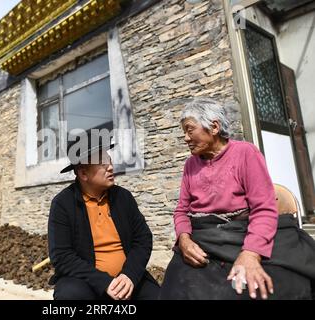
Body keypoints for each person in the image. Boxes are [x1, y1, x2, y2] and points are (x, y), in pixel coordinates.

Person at [159, 98, 315, 300]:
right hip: (207, 238)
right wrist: (184, 239)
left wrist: (251, 253)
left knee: (279, 283)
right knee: (179, 286)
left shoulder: (245, 153)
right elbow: (182, 210)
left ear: (214, 127)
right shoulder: (191, 164)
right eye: (184, 132)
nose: (186, 138)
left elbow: (264, 208)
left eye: (190, 130)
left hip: (244, 231)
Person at [48, 130, 159, 300]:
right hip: (87, 282)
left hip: (127, 279)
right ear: (83, 173)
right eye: (102, 163)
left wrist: (129, 275)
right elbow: (62, 257)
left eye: (109, 159)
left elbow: (143, 239)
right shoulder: (63, 204)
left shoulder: (123, 197)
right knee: (70, 296)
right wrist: (104, 282)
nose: (110, 167)